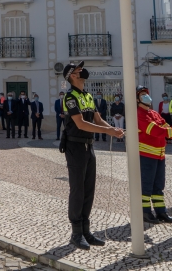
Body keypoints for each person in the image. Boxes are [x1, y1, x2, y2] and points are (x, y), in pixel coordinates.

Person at [60, 61, 124, 250]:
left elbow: (97, 119)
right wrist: (109, 133)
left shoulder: (87, 96)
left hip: (89, 147)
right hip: (75, 147)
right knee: (77, 190)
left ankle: (86, 231)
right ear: (72, 75)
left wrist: (113, 129)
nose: (83, 71)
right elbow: (80, 124)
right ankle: (76, 233)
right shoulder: (70, 97)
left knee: (89, 190)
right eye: (79, 69)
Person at [135, 85, 172, 224]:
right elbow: (154, 130)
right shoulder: (138, 114)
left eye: (146, 94)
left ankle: (161, 212)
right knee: (146, 185)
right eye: (143, 95)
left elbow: (164, 125)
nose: (146, 97)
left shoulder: (153, 113)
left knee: (158, 185)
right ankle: (145, 213)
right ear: (137, 99)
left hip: (159, 154)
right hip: (146, 154)